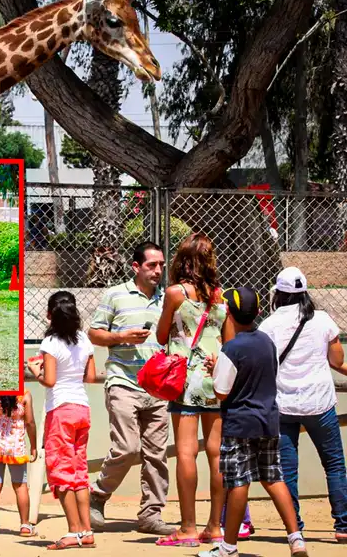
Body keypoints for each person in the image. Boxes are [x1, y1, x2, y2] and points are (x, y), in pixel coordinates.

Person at [198, 287, 308, 557]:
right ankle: (296, 539)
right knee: (274, 478)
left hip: (239, 424)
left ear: (230, 315)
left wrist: (215, 372)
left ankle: (228, 548)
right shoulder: (267, 342)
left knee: (238, 482)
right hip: (268, 420)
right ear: (257, 312)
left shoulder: (231, 348)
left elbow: (221, 392)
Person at [87, 241, 175, 536]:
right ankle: (98, 495)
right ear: (136, 267)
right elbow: (94, 333)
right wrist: (121, 336)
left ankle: (151, 513)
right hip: (123, 381)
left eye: (161, 265)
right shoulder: (115, 295)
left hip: (159, 388)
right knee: (126, 448)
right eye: (152, 265)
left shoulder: (168, 298)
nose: (158, 271)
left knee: (156, 454)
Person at [258, 267, 347, 543]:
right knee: (333, 464)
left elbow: (264, 364)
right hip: (320, 403)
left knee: (287, 469)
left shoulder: (269, 325)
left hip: (283, 405)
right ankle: (343, 526)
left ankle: (294, 526)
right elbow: (337, 360)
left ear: (278, 293)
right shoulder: (322, 320)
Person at [155, 233, 229, 547]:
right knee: (216, 454)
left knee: (186, 453)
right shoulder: (221, 296)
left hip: (185, 381)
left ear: (181, 259)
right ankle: (215, 525)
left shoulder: (174, 293)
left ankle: (187, 527)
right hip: (214, 377)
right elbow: (231, 341)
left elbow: (161, 336)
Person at [28, 291, 98, 550]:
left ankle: (73, 531)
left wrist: (36, 370)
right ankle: (86, 531)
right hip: (82, 409)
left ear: (49, 315)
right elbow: (90, 377)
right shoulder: (83, 339)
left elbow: (50, 381)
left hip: (60, 410)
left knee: (60, 472)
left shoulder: (51, 342)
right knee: (79, 472)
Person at [0, 393, 37, 537]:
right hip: (16, 449)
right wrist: (33, 446)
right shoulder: (25, 396)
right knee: (20, 486)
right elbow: (30, 423)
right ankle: (25, 526)